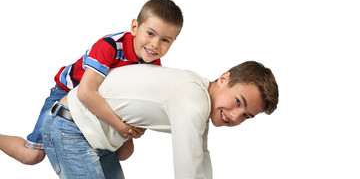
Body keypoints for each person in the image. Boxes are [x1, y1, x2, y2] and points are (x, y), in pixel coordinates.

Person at [0, 0, 184, 166]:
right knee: (32, 155)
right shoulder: (111, 46)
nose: (155, 45)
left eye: (165, 40)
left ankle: (84, 146)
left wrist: (137, 127)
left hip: (104, 101)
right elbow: (85, 93)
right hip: (69, 92)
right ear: (135, 27)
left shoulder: (153, 64)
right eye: (150, 33)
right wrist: (120, 126)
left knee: (125, 150)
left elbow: (141, 101)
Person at [43, 61, 279, 179]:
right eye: (239, 102)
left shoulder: (198, 96)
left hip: (96, 139)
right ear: (225, 78)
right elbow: (188, 166)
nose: (236, 117)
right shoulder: (193, 97)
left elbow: (200, 157)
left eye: (246, 116)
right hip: (71, 129)